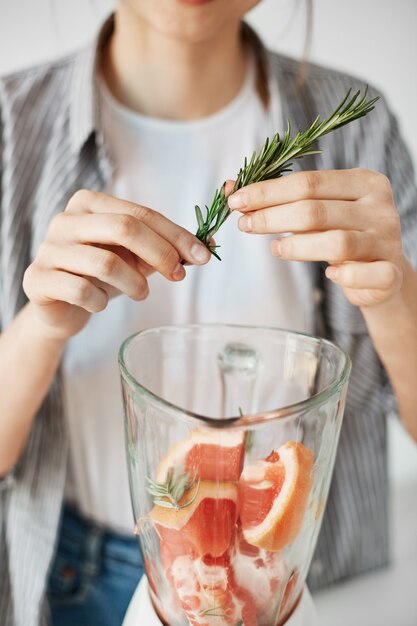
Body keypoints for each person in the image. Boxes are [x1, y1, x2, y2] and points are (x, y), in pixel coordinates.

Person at [0, 1, 416, 625]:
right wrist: (44, 324)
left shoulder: (357, 127)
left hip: (295, 575)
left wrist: (395, 295)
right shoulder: (10, 127)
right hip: (77, 582)